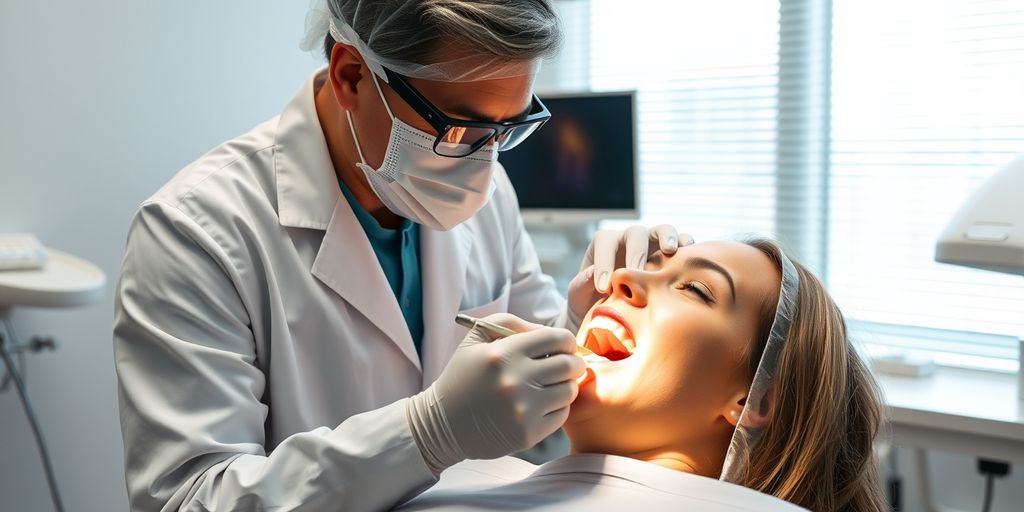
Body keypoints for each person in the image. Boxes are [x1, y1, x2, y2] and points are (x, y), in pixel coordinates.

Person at [112, 1, 685, 510]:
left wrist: (581, 323)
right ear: (352, 75)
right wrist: (426, 433)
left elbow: (534, 362)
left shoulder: (487, 190)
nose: (484, 166)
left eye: (507, 130)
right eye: (460, 129)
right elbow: (191, 498)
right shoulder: (196, 231)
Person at [396, 238, 888, 512]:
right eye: (646, 268)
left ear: (754, 401)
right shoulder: (456, 477)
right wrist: (429, 433)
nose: (622, 280)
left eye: (695, 289)